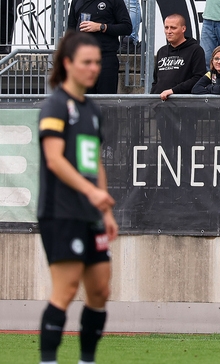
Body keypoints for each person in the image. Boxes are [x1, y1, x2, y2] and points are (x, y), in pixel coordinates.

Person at [36, 31, 118, 364]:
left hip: (91, 214)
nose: (93, 68)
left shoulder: (93, 110)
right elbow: (54, 159)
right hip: (61, 211)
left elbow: (93, 161)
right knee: (67, 289)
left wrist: (106, 210)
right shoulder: (55, 104)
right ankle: (48, 360)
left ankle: (86, 360)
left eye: (97, 62)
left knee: (100, 290)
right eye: (86, 62)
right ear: (68, 64)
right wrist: (90, 192)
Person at [66, 0, 133, 94]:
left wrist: (101, 27)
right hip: (83, 59)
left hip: (106, 58)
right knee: (83, 104)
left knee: (106, 104)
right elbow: (70, 29)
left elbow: (127, 27)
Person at [151, 14, 207, 100]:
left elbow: (199, 78)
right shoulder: (161, 51)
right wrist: (153, 98)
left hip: (183, 104)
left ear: (183, 29)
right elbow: (156, 81)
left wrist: (173, 91)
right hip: (160, 104)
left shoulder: (195, 50)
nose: (169, 31)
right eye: (166, 27)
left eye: (173, 28)